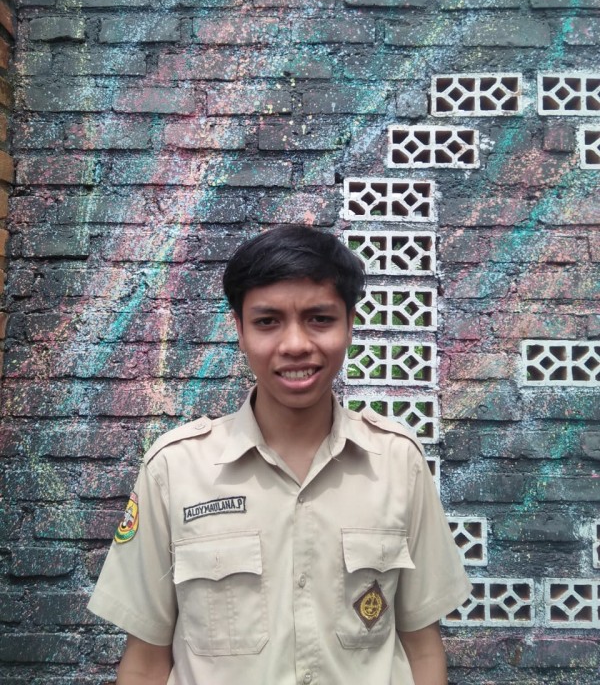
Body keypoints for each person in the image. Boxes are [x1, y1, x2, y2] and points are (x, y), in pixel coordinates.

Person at [88, 224, 471, 685]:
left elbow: (422, 647)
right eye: (267, 321)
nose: (295, 345)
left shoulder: (397, 463)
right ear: (240, 330)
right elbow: (145, 662)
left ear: (350, 324)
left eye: (320, 319)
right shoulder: (175, 470)